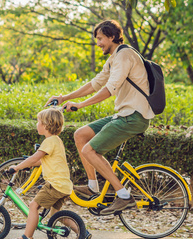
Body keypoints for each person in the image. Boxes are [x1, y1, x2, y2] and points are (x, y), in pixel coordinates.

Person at [46, 19, 154, 216]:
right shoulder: (114, 58)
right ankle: (93, 186)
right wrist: (64, 97)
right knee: (80, 135)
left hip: (134, 116)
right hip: (124, 114)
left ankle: (123, 196)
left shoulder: (124, 56)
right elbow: (94, 84)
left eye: (100, 38)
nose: (98, 43)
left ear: (112, 37)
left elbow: (109, 90)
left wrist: (80, 105)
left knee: (90, 151)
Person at [7, 107, 92, 239]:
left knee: (34, 206)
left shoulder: (48, 142)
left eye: (38, 121)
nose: (36, 124)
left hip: (55, 184)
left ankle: (26, 238)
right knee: (57, 215)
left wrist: (17, 167)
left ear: (45, 125)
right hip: (64, 185)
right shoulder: (57, 141)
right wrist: (31, 165)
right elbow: (42, 160)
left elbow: (35, 157)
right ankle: (83, 233)